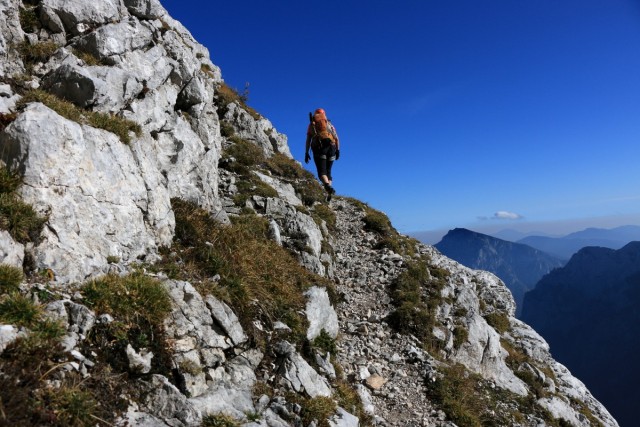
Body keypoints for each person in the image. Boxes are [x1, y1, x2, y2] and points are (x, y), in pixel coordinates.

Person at [305, 108, 340, 201]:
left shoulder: (312, 125)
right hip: (332, 147)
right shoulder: (329, 124)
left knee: (322, 172)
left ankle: (328, 187)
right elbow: (336, 138)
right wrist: (338, 150)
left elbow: (308, 140)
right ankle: (329, 189)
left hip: (319, 148)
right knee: (328, 172)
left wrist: (306, 153)